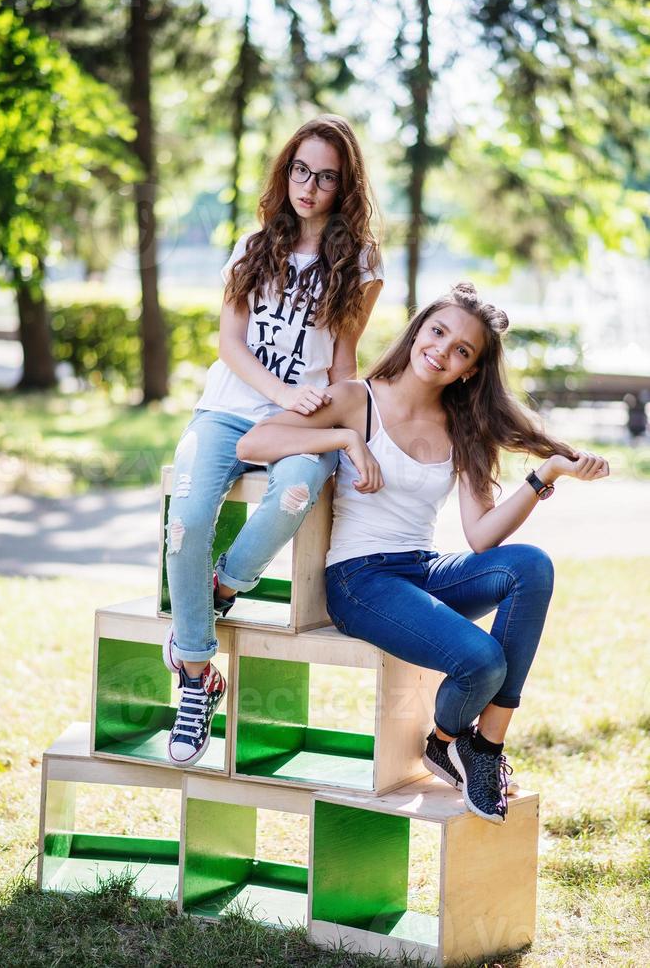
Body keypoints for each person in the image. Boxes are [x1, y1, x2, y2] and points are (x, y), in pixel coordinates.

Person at [237, 282, 609, 823]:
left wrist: (545, 474)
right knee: (480, 661)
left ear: (470, 371)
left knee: (532, 565)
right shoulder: (354, 399)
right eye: (438, 332)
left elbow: (482, 537)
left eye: (463, 350)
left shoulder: (464, 427)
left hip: (422, 568)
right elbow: (255, 443)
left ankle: (478, 746)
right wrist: (345, 440)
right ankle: (449, 742)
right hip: (359, 582)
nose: (443, 350)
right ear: (418, 331)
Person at [164, 114, 383, 766]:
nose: (308, 186)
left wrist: (347, 437)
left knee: (293, 493)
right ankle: (198, 675)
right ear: (285, 170)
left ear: (344, 186)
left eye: (324, 176)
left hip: (306, 424)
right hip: (227, 410)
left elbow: (344, 358)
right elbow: (230, 345)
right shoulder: (251, 246)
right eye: (299, 169)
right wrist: (280, 392)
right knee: (189, 519)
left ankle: (225, 585)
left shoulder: (361, 263)